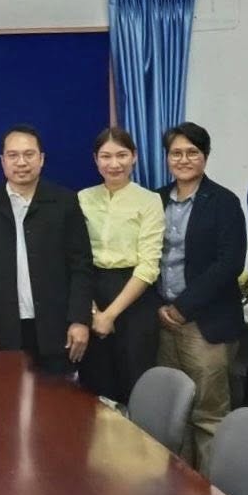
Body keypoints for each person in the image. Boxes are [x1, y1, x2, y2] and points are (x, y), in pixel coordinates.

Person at [153, 123, 247, 472]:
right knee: (171, 412)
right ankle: (178, 489)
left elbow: (229, 263)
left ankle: (213, 494)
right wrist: (162, 307)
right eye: (176, 153)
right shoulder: (155, 200)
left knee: (208, 415)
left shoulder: (223, 202)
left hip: (205, 323)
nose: (183, 159)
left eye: (192, 152)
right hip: (163, 321)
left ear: (205, 156)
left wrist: (184, 307)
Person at [0, 125, 93, 374]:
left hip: (57, 329)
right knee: (6, 394)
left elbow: (81, 265)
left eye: (29, 154)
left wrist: (80, 319)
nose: (21, 162)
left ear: (42, 159)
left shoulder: (64, 202)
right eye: (13, 155)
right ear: (2, 161)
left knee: (57, 395)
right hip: (3, 330)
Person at [77, 127, 165, 403]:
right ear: (95, 159)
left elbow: (149, 265)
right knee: (95, 386)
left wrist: (109, 315)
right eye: (106, 156)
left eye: (122, 155)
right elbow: (75, 258)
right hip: (90, 292)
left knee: (135, 383)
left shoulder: (149, 201)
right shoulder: (82, 199)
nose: (114, 164)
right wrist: (94, 311)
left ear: (134, 157)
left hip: (134, 297)